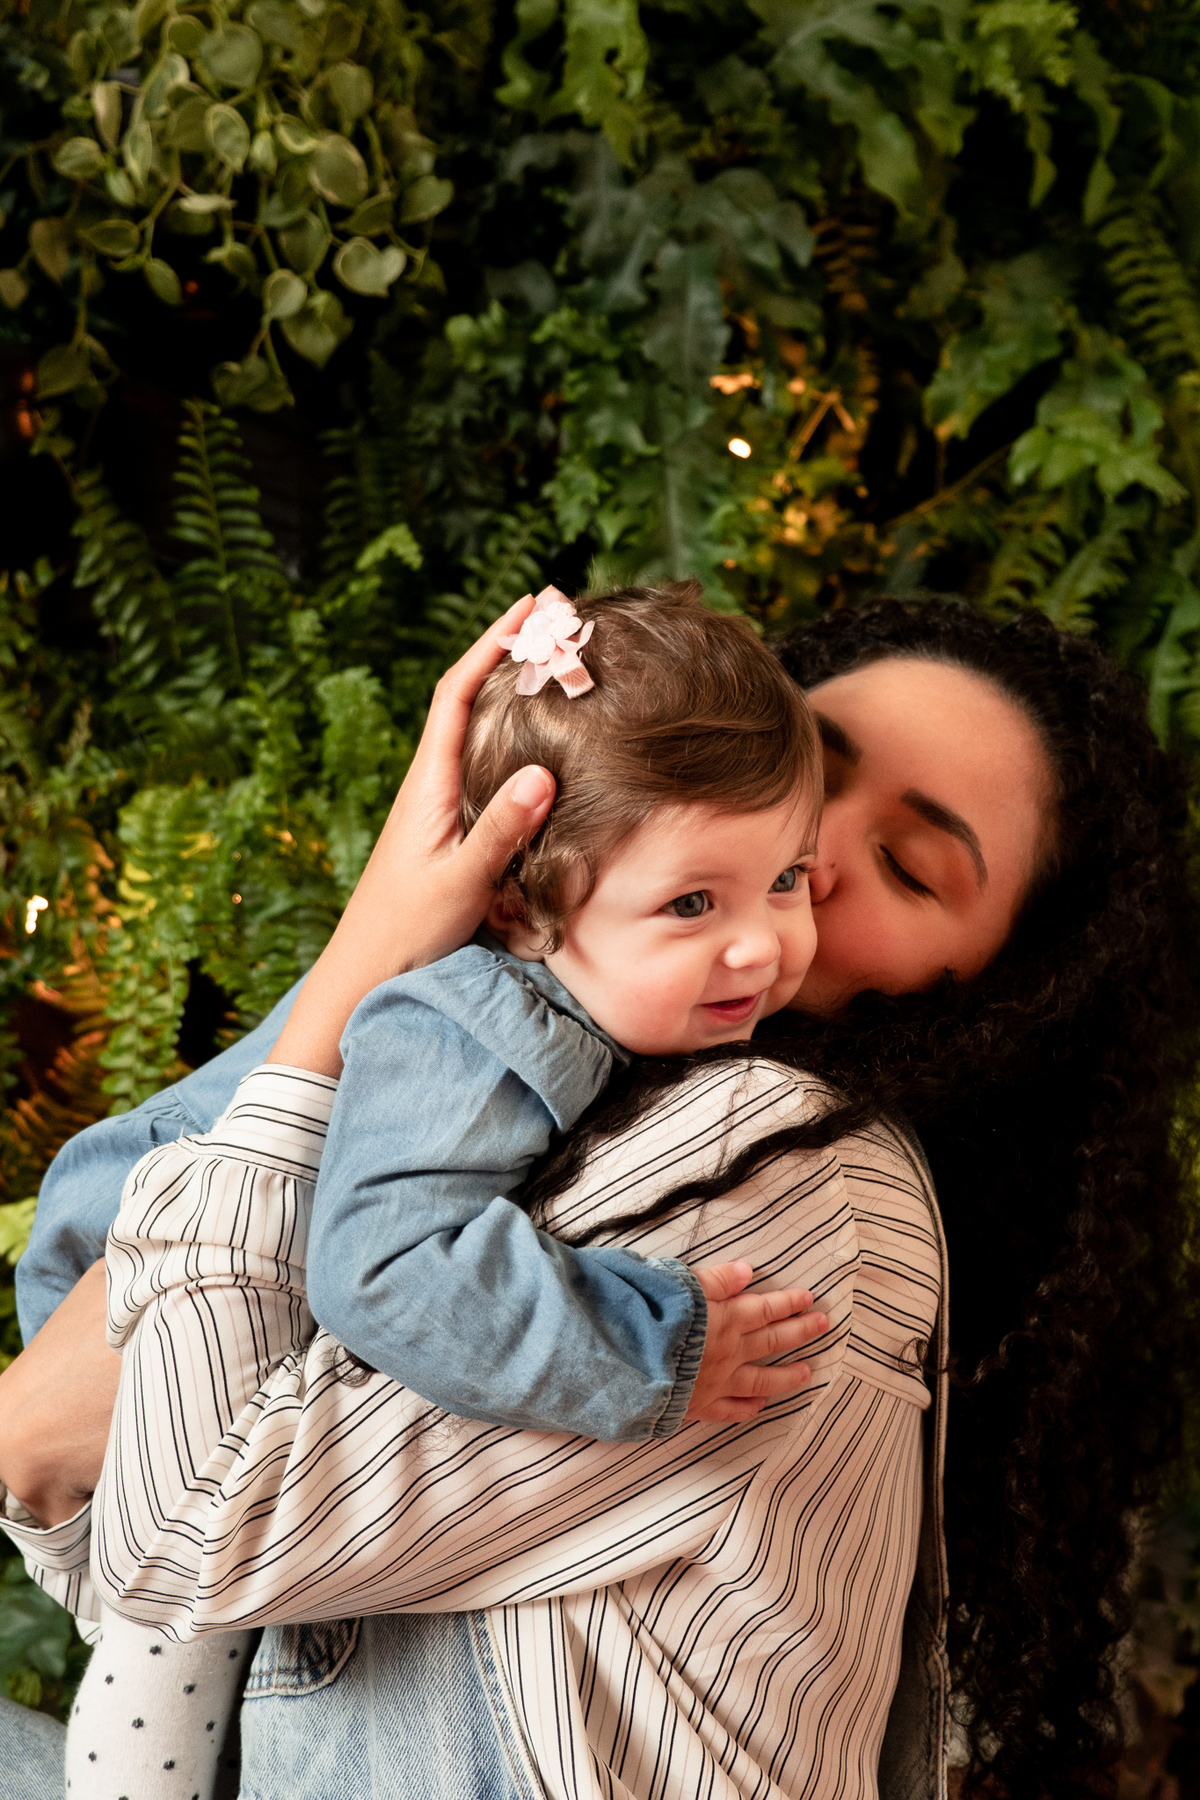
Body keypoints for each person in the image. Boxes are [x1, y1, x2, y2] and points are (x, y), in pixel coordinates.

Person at [1, 595, 1197, 1799]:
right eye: (802, 766)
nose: (809, 853)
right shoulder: (544, 1050)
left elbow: (170, 1530)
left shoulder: (793, 1169)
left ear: (1002, 1001)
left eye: (905, 864)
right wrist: (380, 952)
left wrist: (362, 967)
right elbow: (70, 1474)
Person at [54, 583, 836, 1800]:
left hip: (201, 1283)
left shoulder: (582, 998)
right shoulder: (484, 1028)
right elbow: (385, 1268)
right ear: (523, 907)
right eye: (694, 904)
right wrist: (653, 1351)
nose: (762, 945)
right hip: (137, 1281)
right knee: (172, 1640)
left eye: (788, 879)